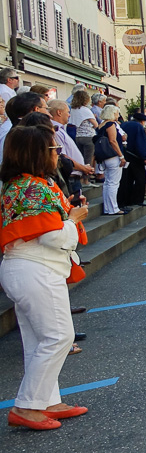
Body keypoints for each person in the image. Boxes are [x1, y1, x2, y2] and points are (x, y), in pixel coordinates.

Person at [0, 125, 91, 431]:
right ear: (38, 153)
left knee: (38, 339)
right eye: (54, 150)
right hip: (36, 267)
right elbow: (52, 237)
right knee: (58, 337)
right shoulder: (34, 188)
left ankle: (47, 400)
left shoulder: (21, 185)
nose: (58, 154)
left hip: (23, 267)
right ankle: (28, 405)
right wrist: (74, 220)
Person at [47, 100, 92, 196]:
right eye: (68, 112)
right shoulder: (55, 130)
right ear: (59, 112)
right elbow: (62, 156)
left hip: (73, 176)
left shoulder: (60, 129)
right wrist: (83, 168)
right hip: (70, 177)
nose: (69, 115)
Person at [96, 105, 127, 216]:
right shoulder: (111, 124)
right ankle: (113, 208)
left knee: (107, 183)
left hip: (104, 157)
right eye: (117, 113)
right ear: (113, 113)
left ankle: (108, 208)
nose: (118, 115)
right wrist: (121, 156)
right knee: (113, 183)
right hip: (113, 156)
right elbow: (113, 141)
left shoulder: (100, 125)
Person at [118, 112, 146, 210]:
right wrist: (145, 157)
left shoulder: (123, 124)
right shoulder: (138, 127)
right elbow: (140, 143)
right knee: (140, 177)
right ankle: (137, 199)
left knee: (127, 178)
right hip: (136, 156)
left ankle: (126, 200)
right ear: (142, 121)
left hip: (125, 153)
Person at [68, 90, 98, 183]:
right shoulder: (85, 110)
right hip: (88, 136)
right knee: (88, 159)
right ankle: (86, 180)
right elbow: (95, 124)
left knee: (80, 158)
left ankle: (80, 179)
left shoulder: (73, 109)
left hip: (78, 136)